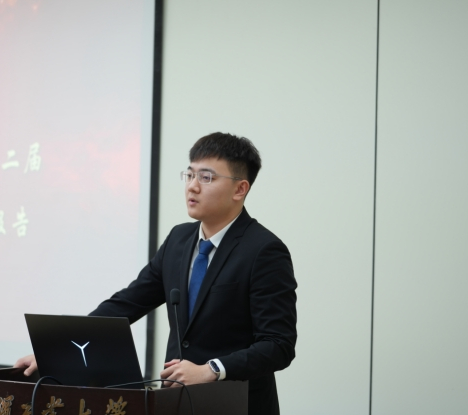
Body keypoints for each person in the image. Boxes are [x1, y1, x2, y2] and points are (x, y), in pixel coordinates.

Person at [15, 132, 297, 415]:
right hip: (175, 402)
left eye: (206, 177)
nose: (192, 186)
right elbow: (127, 304)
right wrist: (58, 351)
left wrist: (211, 369)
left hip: (237, 405)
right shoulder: (179, 240)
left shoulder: (263, 250)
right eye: (190, 175)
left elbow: (278, 345)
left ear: (240, 189)